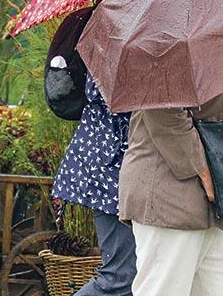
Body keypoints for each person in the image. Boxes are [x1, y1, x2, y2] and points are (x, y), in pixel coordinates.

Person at [118, 70, 223, 296]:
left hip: (221, 196)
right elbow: (161, 109)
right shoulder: (159, 50)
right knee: (164, 291)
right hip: (171, 193)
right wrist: (202, 169)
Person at [52, 72, 136, 295]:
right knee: (119, 277)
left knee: (125, 275)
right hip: (111, 168)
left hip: (112, 164)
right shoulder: (116, 53)